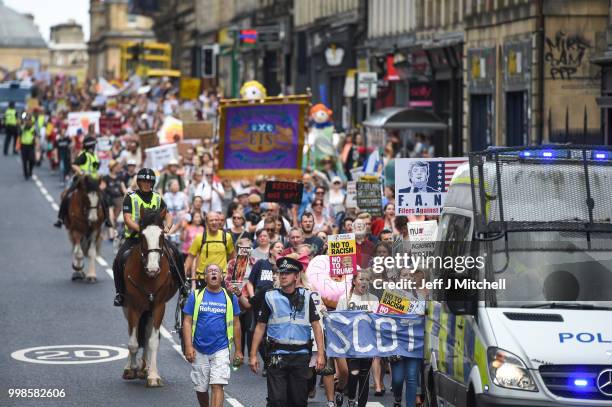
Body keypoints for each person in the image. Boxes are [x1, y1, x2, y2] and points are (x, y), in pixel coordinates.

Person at [249, 257, 326, 407]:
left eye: (288, 273)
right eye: (281, 273)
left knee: (298, 401)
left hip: (301, 355)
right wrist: (252, 355)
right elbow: (260, 326)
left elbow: (316, 325)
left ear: (296, 276)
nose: (283, 276)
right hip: (276, 354)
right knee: (277, 400)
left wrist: (321, 355)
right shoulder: (270, 296)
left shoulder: (307, 296)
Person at [183, 263, 243, 407]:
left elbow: (236, 324)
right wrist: (188, 346)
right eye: (210, 271)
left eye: (216, 271)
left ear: (222, 276)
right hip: (199, 348)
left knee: (217, 385)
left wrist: (239, 350)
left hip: (221, 348)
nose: (213, 273)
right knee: (201, 388)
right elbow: (187, 321)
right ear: (205, 277)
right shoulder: (196, 296)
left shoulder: (230, 297)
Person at [111, 168, 172, 306]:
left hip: (155, 239)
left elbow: (167, 214)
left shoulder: (157, 197)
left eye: (149, 181)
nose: (146, 184)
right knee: (118, 261)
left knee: (176, 255)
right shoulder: (130, 198)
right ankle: (120, 293)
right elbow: (127, 219)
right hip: (135, 238)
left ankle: (182, 286)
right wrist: (143, 230)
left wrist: (167, 226)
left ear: (153, 183)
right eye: (143, 181)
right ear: (138, 182)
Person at [335, 269, 379, 407]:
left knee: (364, 377)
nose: (364, 282)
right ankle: (349, 397)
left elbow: (379, 322)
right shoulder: (344, 299)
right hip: (350, 345)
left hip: (367, 344)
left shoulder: (374, 299)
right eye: (361, 279)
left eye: (367, 279)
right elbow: (337, 320)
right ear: (354, 282)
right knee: (353, 374)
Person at [53, 136, 110, 228]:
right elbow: (74, 165)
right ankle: (60, 218)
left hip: (93, 181)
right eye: (94, 145)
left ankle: (107, 219)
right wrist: (82, 172)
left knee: (103, 197)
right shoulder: (84, 155)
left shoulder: (94, 156)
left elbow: (96, 168)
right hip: (81, 180)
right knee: (67, 195)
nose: (95, 147)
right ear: (90, 146)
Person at [185, 211, 235, 284]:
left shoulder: (227, 237)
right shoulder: (199, 238)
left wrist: (232, 275)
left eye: (216, 220)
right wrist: (184, 274)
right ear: (206, 222)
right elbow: (190, 257)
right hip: (203, 278)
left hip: (221, 277)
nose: (214, 222)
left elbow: (232, 257)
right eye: (211, 220)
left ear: (219, 222)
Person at [19, 113, 37, 180]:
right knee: (24, 161)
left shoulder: (33, 128)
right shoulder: (22, 128)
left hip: (31, 146)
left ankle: (30, 171)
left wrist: (37, 145)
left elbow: (35, 136)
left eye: (28, 120)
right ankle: (26, 175)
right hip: (23, 146)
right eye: (26, 120)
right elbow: (19, 134)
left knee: (32, 160)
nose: (27, 121)